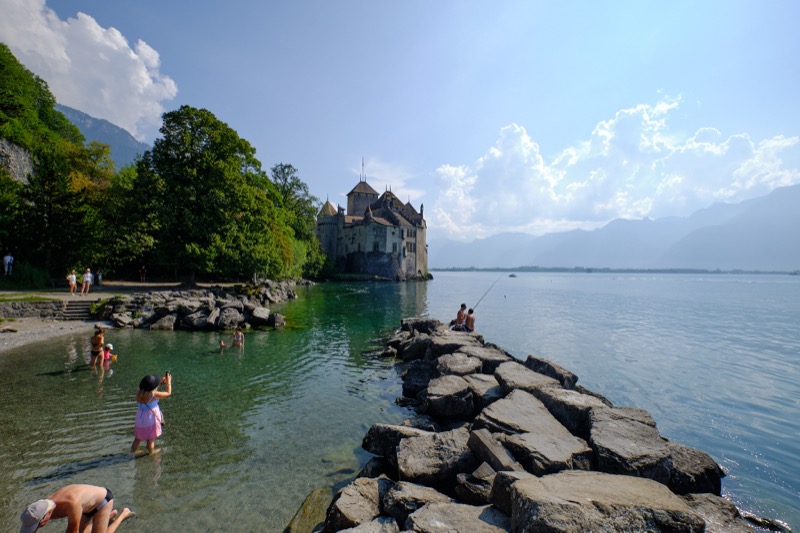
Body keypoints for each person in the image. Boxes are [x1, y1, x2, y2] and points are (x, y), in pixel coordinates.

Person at [19, 484, 134, 533]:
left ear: (48, 515)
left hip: (103, 501)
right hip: (85, 506)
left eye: (38, 525)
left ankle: (124, 514)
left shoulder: (71, 505)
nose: (36, 527)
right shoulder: (40, 507)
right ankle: (107, 517)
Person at [131, 371, 172, 455]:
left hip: (140, 418)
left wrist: (161, 383)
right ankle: (151, 452)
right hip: (150, 418)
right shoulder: (154, 395)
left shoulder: (139, 392)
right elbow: (168, 393)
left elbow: (149, 389)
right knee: (150, 439)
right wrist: (168, 382)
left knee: (138, 438)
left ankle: (132, 452)